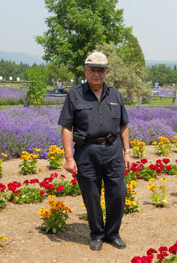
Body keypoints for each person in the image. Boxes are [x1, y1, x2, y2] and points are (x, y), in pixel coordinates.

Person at [58, 51, 131, 251]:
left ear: (107, 72)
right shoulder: (75, 94)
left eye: (101, 70)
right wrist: (68, 158)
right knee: (91, 196)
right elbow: (66, 127)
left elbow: (124, 125)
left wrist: (127, 151)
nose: (96, 74)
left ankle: (113, 233)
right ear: (85, 71)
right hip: (86, 151)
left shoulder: (115, 94)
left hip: (113, 150)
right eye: (92, 70)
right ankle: (97, 234)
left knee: (118, 193)